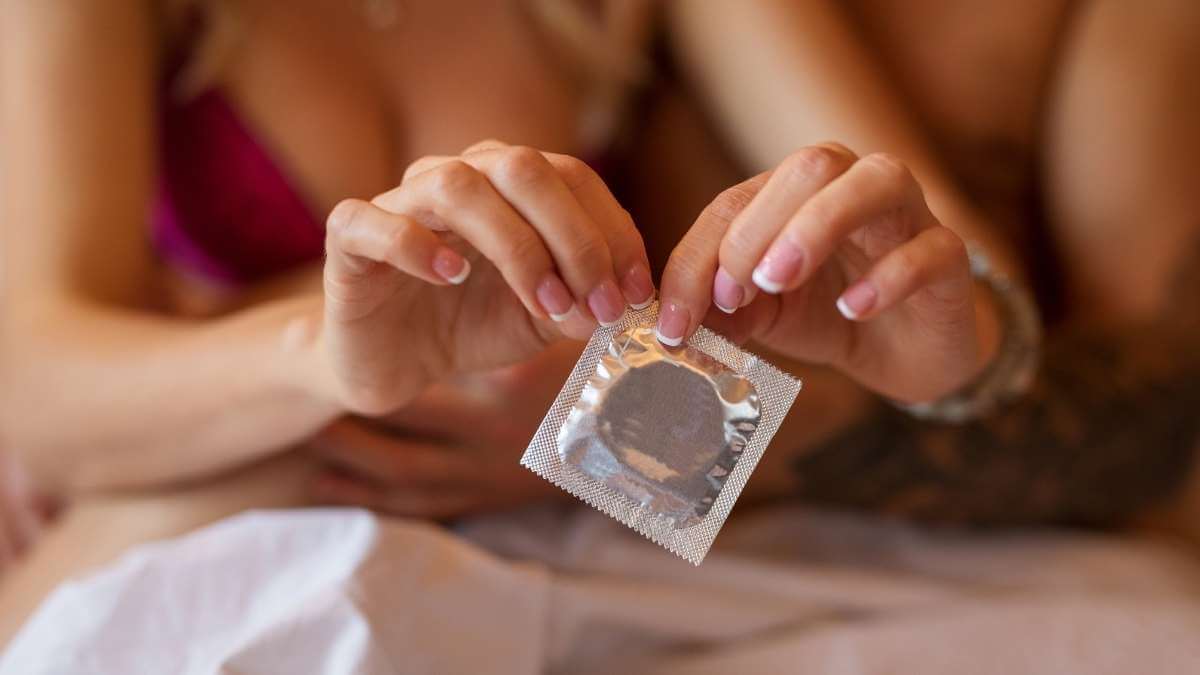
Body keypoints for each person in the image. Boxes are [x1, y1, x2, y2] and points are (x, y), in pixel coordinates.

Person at [1, 0, 1198, 655]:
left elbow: (963, 299)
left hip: (565, 500)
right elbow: (37, 381)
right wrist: (325, 356)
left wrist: (956, 353)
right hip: (230, 477)